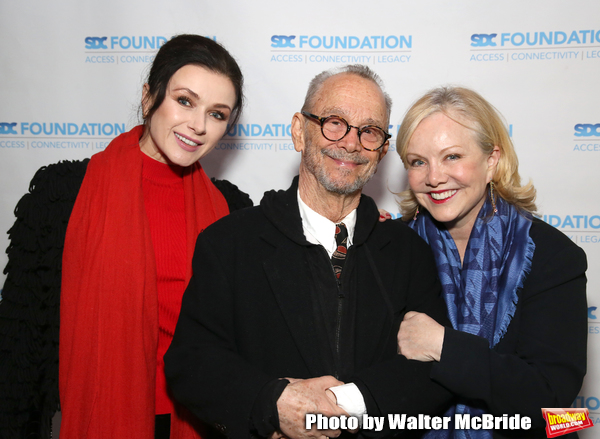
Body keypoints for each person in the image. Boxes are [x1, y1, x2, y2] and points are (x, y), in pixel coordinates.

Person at [164, 64, 453, 439]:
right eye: (335, 122)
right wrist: (272, 404)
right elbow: (193, 363)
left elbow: (430, 372)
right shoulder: (229, 242)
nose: (351, 143)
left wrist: (349, 403)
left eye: (369, 131)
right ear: (300, 131)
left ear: (381, 151)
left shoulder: (408, 251)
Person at [0, 34, 252, 439]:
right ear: (149, 96)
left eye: (218, 114)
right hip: (103, 418)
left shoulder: (233, 211)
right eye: (184, 101)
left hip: (201, 420)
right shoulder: (64, 193)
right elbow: (21, 346)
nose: (198, 125)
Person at [395, 86, 587, 438]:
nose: (434, 177)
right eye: (417, 161)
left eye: (452, 156)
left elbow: (551, 402)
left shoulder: (553, 256)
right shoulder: (387, 249)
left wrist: (443, 347)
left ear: (491, 160)